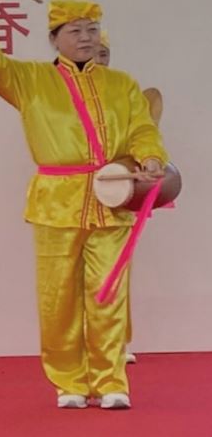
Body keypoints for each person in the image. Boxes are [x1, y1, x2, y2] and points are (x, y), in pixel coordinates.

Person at [0, 0, 165, 410]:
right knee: (57, 297)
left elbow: (142, 129)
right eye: (75, 31)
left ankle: (111, 380)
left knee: (108, 293)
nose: (86, 38)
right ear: (54, 38)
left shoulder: (122, 84)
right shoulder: (29, 79)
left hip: (112, 196)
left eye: (92, 30)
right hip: (55, 201)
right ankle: (69, 382)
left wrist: (151, 157)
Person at [93, 30, 162, 366]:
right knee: (73, 280)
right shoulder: (62, 95)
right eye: (93, 53)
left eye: (104, 53)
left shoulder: (123, 93)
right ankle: (80, 348)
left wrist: (147, 160)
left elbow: (141, 136)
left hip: (116, 192)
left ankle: (116, 343)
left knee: (116, 272)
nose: (99, 59)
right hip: (73, 197)